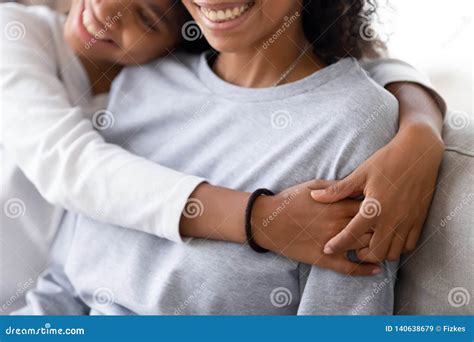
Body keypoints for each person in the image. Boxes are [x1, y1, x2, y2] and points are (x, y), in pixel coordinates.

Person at [13, 0, 445, 315]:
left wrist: (420, 128)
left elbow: (341, 320)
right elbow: (61, 284)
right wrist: (260, 219)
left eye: (144, 15)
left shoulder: (354, 120)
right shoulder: (141, 82)